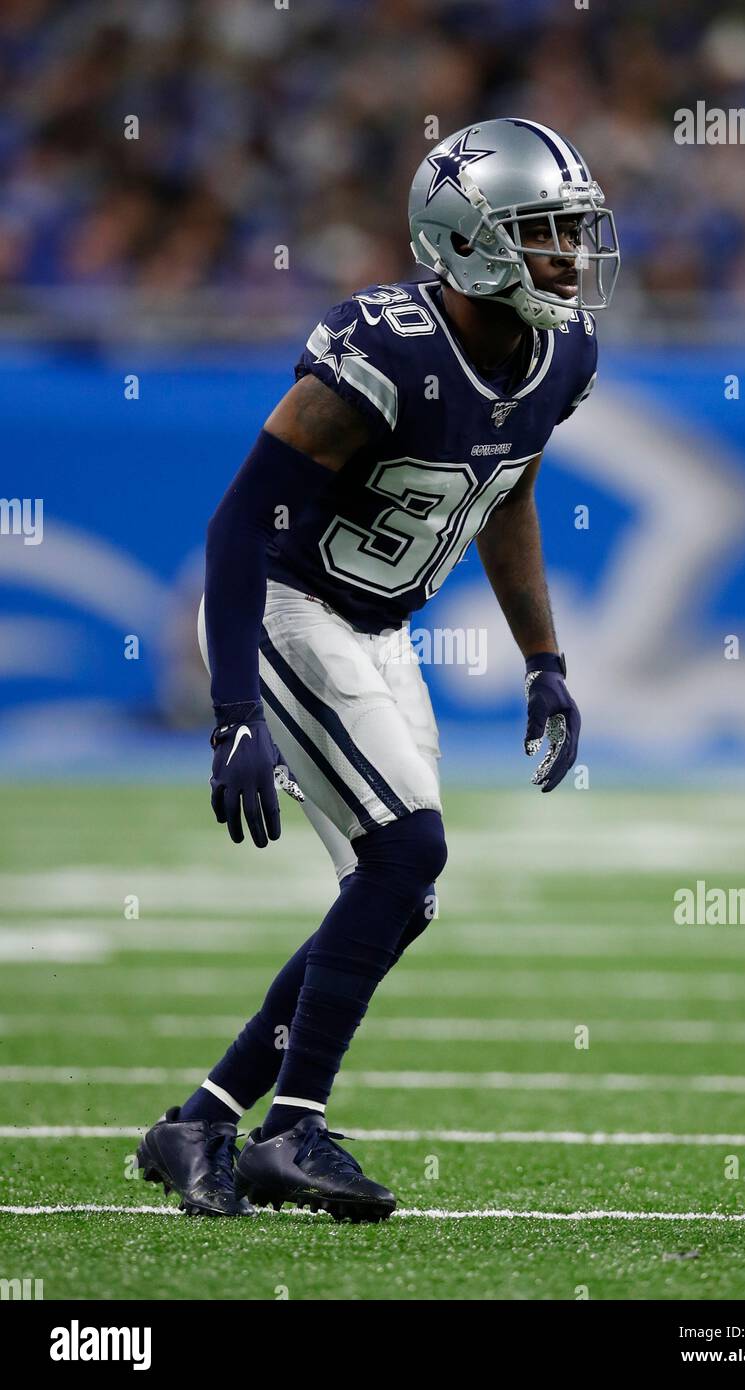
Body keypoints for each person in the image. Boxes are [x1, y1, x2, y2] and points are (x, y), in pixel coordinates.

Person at [136, 118, 620, 1223]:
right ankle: (291, 1129)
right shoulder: (386, 350)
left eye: (573, 233)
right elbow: (233, 526)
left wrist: (543, 658)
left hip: (378, 627)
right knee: (406, 851)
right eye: (543, 235)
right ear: (467, 240)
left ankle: (202, 1120)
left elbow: (509, 498)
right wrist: (227, 716)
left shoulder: (561, 355)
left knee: (398, 893)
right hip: (286, 611)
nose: (569, 258)